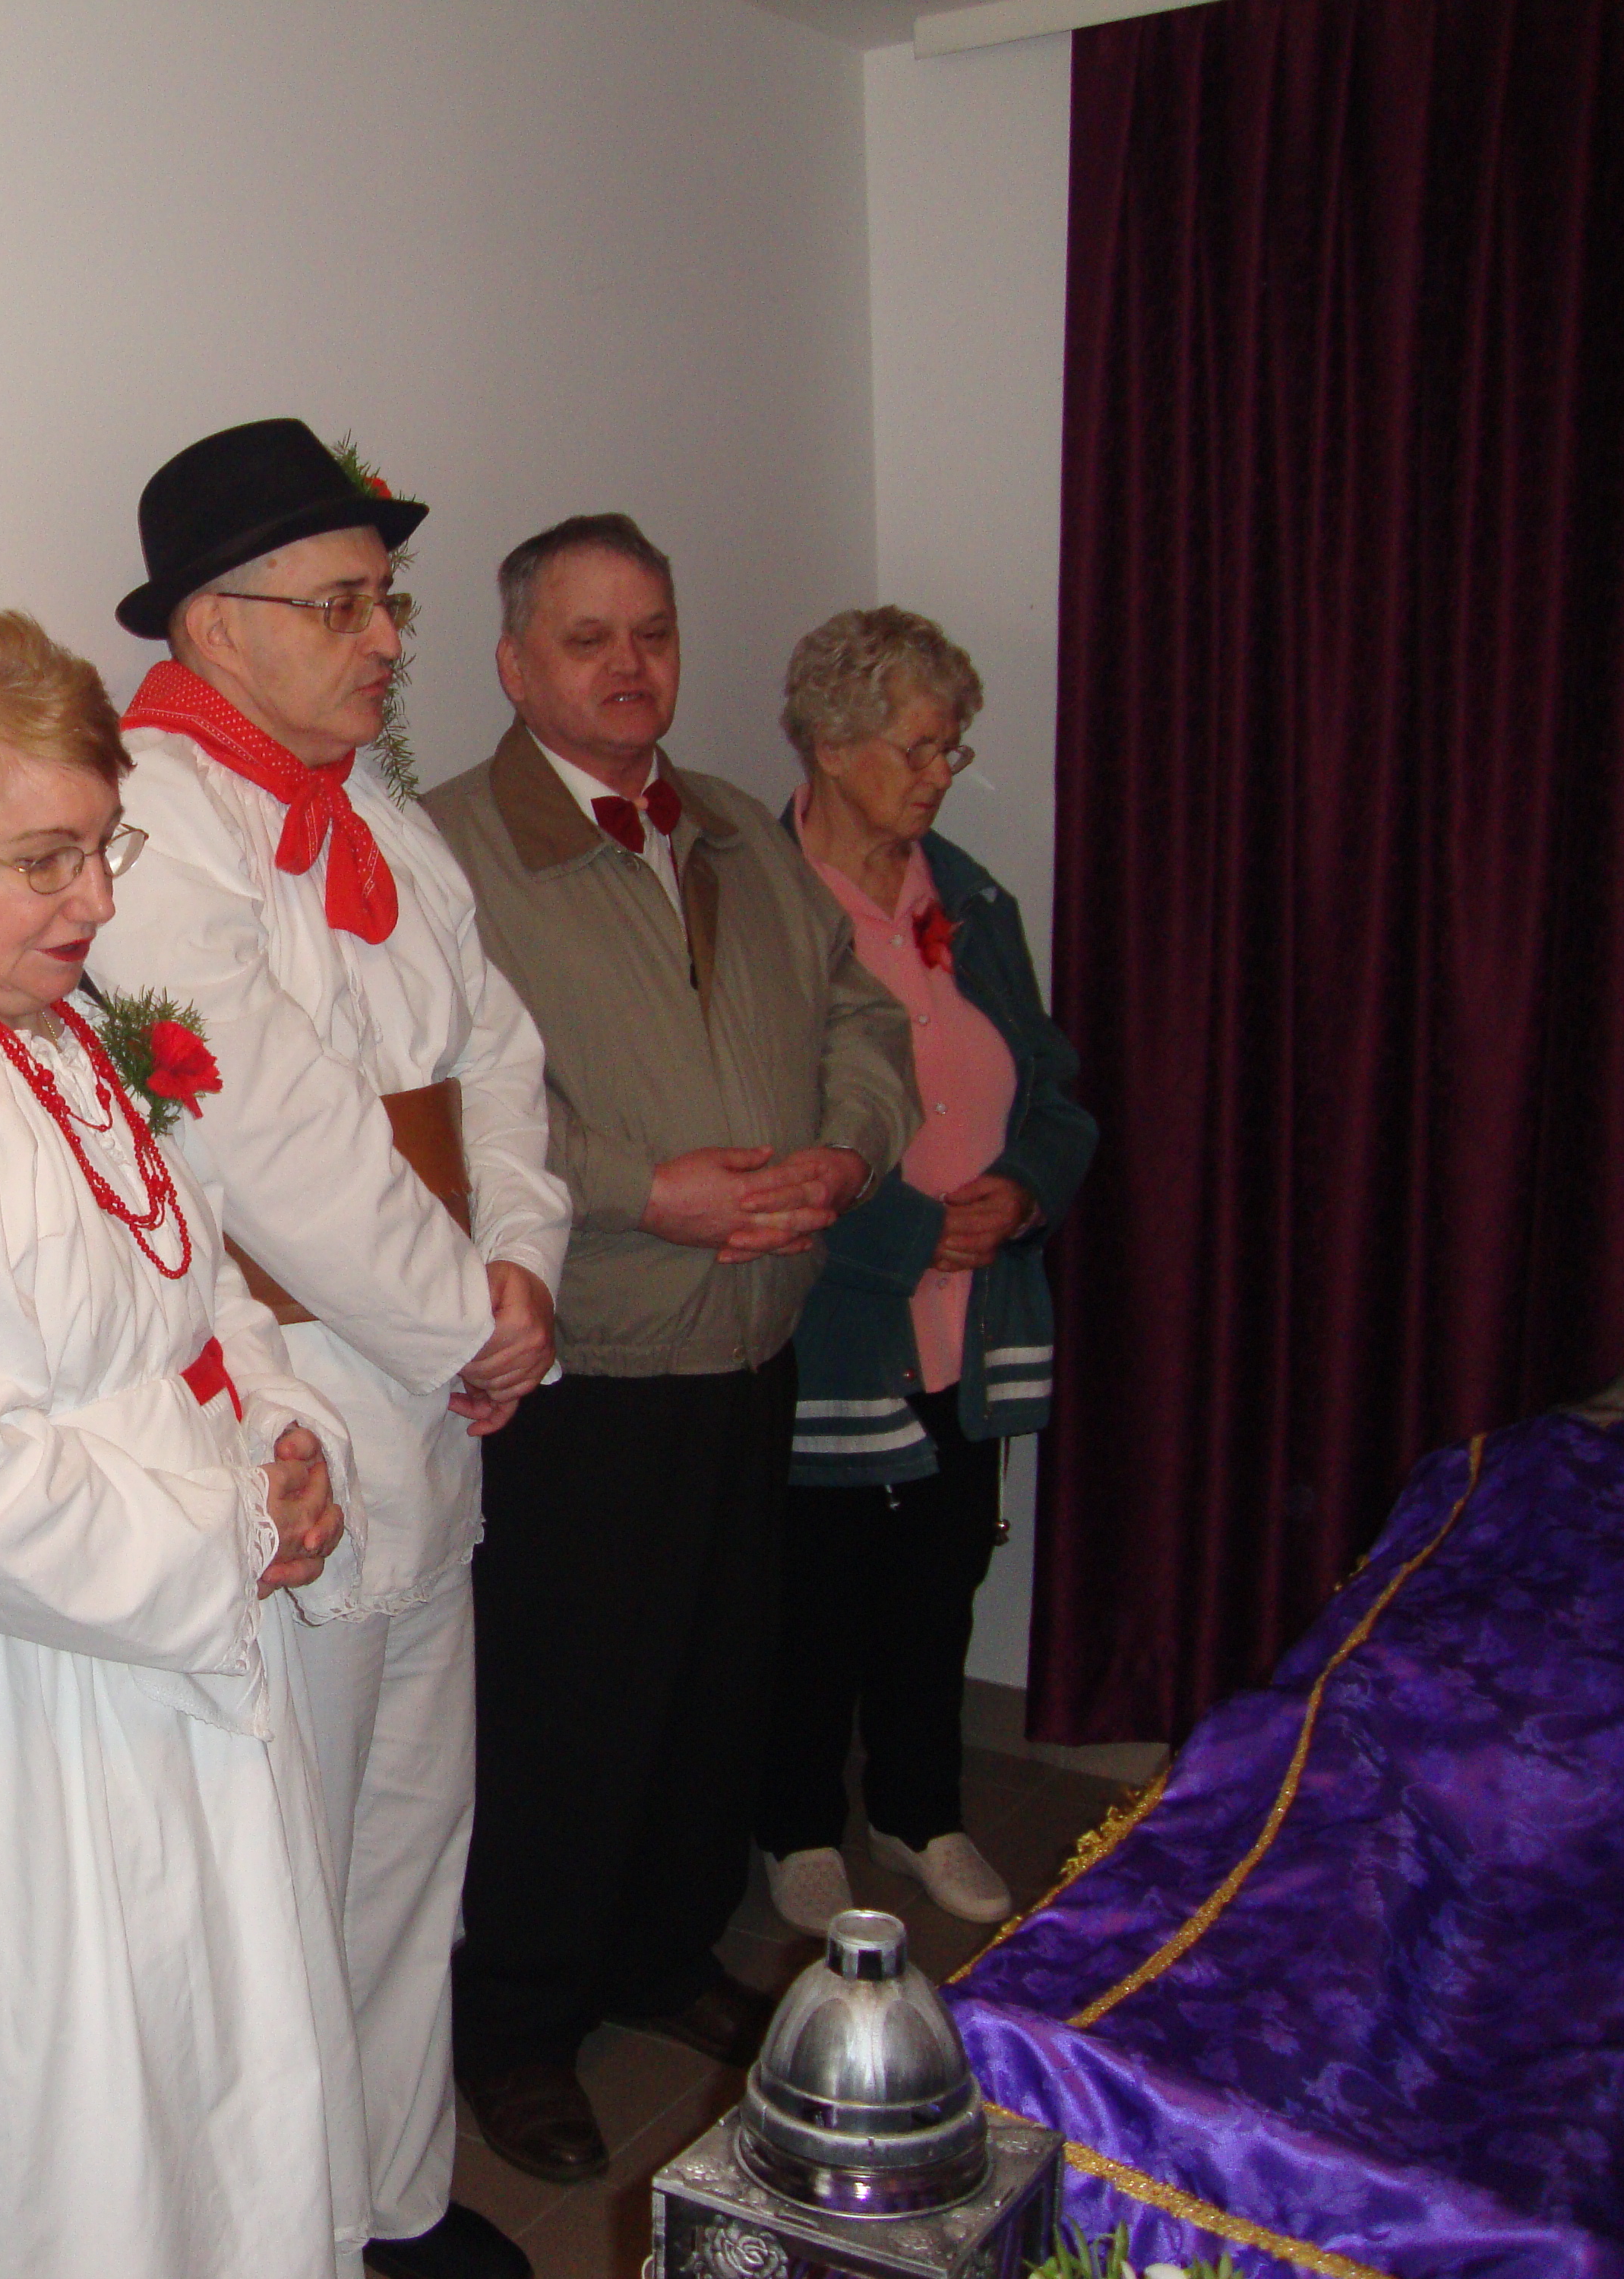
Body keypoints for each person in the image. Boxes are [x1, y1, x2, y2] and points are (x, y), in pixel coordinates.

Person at [0, 606, 371, 2277]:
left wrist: (285, 1434)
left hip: (164, 1628)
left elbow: (189, 1279)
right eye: (45, 861)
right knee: (83, 2131)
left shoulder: (40, 1010)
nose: (96, 901)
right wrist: (232, 1536)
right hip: (24, 1691)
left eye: (101, 847)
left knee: (207, 2091)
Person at [86, 419, 568, 2279]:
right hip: (292, 1405)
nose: (384, 641)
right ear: (216, 625)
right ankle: (288, 2237)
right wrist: (470, 1322)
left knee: (406, 1848)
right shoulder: (149, 826)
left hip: (435, 1389)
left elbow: (496, 1054)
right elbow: (269, 1144)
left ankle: (393, 2203)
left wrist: (519, 1267)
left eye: (387, 603)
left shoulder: (378, 810)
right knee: (287, 1868)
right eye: (345, 605)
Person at [424, 514, 918, 2186]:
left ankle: (654, 1957)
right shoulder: (449, 855)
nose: (629, 665)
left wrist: (846, 1151)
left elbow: (860, 1016)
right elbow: (433, 1113)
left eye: (652, 632)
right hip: (589, 1365)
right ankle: (514, 2025)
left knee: (713, 1693)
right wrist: (652, 1192)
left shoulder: (732, 826)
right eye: (587, 639)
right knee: (562, 1718)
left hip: (753, 1342)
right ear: (515, 665)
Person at [753, 607, 1095, 1935]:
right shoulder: (764, 899)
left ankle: (920, 1808)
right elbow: (759, 1123)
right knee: (814, 1597)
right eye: (920, 748)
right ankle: (795, 1827)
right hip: (837, 1320)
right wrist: (905, 1234)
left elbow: (1052, 1085)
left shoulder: (969, 896)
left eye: (954, 748)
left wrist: (1025, 1190)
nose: (942, 773)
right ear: (832, 745)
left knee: (938, 1582)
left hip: (971, 1316)